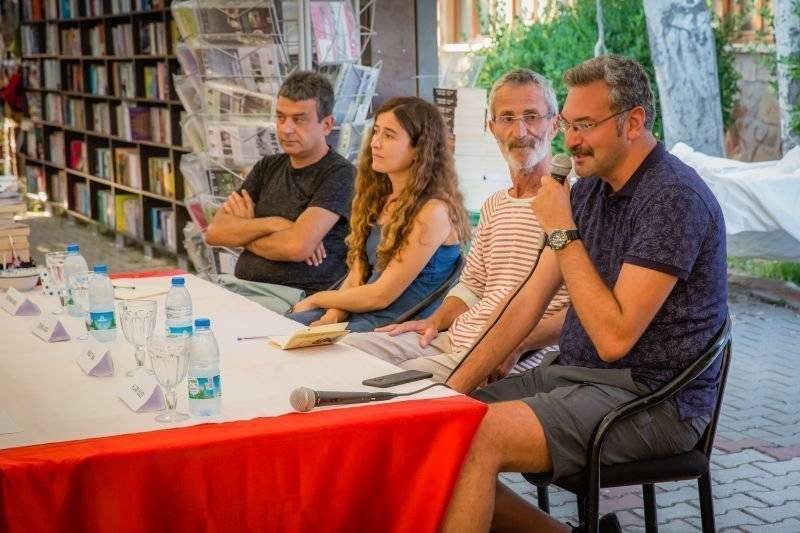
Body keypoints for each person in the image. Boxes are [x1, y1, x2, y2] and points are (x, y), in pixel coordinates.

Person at [441, 55, 728, 533]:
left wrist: (562, 231)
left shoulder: (673, 198)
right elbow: (527, 304)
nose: (570, 141)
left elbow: (615, 339)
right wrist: (451, 390)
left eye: (585, 126)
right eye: (569, 125)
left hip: (655, 401)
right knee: (441, 428)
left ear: (633, 122)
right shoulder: (591, 190)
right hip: (576, 377)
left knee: (477, 439)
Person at [343, 69, 570, 382]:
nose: (520, 131)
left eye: (531, 117)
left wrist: (516, 344)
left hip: (516, 358)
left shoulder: (573, 203)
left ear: (555, 124)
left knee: (397, 380)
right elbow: (472, 285)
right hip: (454, 338)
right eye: (507, 118)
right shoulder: (495, 204)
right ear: (492, 128)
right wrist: (435, 321)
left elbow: (581, 309)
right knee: (345, 351)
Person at [287, 96, 470, 332]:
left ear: (419, 149)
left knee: (280, 336)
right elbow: (357, 275)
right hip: (358, 313)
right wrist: (333, 315)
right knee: (274, 329)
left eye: (389, 135)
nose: (375, 143)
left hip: (391, 326)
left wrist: (318, 299)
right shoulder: (380, 198)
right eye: (376, 132)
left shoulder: (434, 211)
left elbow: (381, 296)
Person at [205, 71, 355, 313]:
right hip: (244, 289)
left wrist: (245, 231)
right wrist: (277, 224)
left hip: (299, 300)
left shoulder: (340, 174)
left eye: (299, 119)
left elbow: (297, 247)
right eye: (281, 117)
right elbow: (215, 232)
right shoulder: (267, 167)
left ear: (327, 125)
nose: (286, 129)